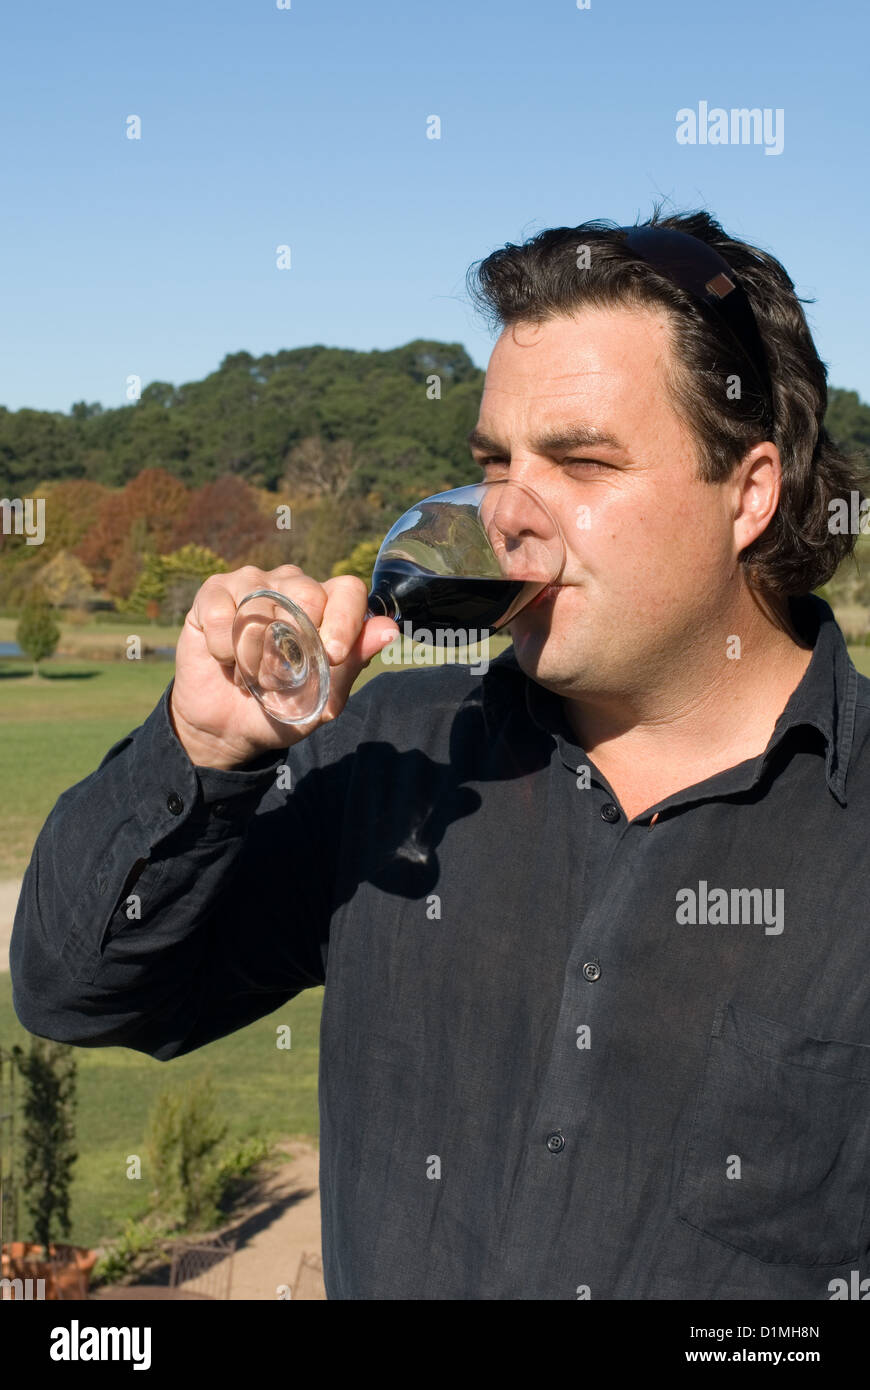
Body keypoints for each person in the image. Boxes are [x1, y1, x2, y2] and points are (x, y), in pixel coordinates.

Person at [11, 209, 870, 1300]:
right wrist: (203, 750)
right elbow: (76, 990)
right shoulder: (397, 752)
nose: (509, 514)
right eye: (494, 462)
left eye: (580, 462)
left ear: (748, 493)